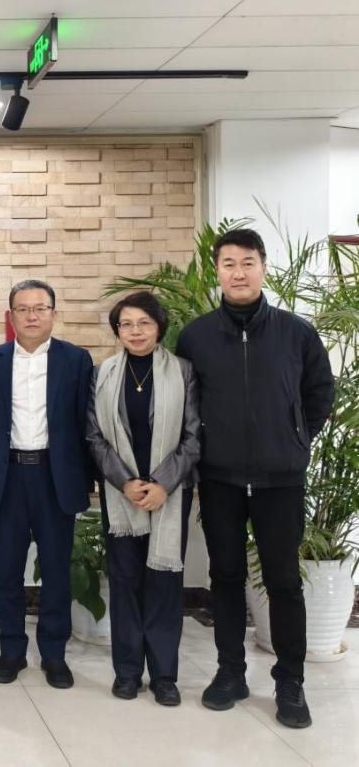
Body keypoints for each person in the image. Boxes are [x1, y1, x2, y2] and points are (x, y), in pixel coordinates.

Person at [176, 227, 334, 729]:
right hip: (219, 479)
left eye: (247, 262)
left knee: (284, 582)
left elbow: (320, 392)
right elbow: (185, 404)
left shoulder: (296, 332)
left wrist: (294, 439)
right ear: (217, 272)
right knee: (225, 578)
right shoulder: (196, 336)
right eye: (228, 264)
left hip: (280, 480)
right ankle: (230, 672)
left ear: (263, 266)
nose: (238, 272)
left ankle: (290, 682)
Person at [0, 279, 94, 689]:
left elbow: (87, 423)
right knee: (6, 570)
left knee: (57, 569)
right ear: (10, 316)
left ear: (54, 314)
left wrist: (89, 479)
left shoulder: (76, 360)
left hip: (54, 477)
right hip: (7, 476)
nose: (31, 316)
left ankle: (54, 654)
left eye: (40, 308)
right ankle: (12, 649)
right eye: (22, 309)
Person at [86, 291, 201, 706]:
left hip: (169, 494)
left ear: (159, 327)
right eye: (126, 324)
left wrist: (163, 484)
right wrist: (125, 483)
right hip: (122, 497)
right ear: (117, 330)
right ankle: (128, 672)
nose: (135, 331)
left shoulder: (183, 372)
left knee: (164, 584)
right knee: (125, 582)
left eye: (144, 323)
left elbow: (193, 437)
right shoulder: (102, 374)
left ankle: (165, 676)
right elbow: (94, 437)